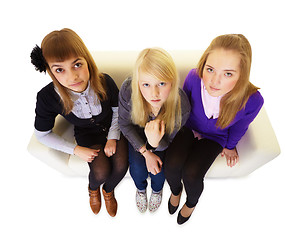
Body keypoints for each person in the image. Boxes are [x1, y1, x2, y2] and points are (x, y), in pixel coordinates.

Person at [165, 34, 264, 224]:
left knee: (192, 174)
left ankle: (191, 202)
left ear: (242, 74)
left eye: (228, 73)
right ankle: (175, 191)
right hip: (189, 127)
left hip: (215, 137)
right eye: (210, 69)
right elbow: (183, 106)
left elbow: (240, 127)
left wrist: (230, 146)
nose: (214, 81)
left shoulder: (252, 100)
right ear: (204, 64)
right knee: (171, 165)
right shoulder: (194, 77)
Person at [30, 28, 128, 217]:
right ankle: (93, 189)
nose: (72, 77)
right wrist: (75, 149)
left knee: (122, 166)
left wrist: (112, 137)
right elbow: (42, 134)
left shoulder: (105, 81)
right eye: (60, 69)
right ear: (50, 71)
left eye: (77, 65)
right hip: (86, 134)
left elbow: (117, 111)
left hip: (113, 128)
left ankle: (108, 191)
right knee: (100, 172)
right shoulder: (47, 97)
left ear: (87, 60)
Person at [118, 48, 190, 213]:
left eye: (162, 83)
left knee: (159, 171)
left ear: (172, 82)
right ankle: (140, 189)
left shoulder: (182, 106)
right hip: (137, 134)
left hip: (161, 140)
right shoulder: (128, 90)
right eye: (146, 84)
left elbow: (169, 140)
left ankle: (157, 190)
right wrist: (145, 151)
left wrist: (154, 144)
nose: (154, 93)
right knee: (137, 168)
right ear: (138, 83)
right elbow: (124, 124)